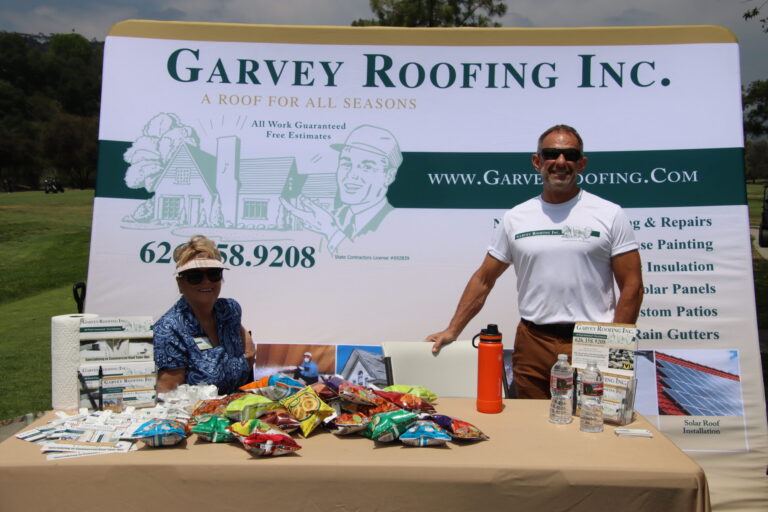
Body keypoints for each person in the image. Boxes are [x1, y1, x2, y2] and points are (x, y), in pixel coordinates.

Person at [425, 124, 643, 399]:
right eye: (551, 154)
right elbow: (484, 279)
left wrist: (615, 349)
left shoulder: (610, 214)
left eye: (570, 156)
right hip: (533, 341)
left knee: (594, 425)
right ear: (537, 161)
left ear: (582, 164)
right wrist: (453, 329)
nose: (560, 162)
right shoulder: (516, 217)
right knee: (531, 427)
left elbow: (633, 287)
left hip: (594, 340)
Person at [153, 235, 256, 394]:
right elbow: (168, 394)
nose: (206, 281)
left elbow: (248, 354)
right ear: (180, 283)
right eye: (195, 276)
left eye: (213, 274)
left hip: (238, 410)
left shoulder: (230, 310)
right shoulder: (169, 329)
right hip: (197, 416)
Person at [280, 124, 402, 252]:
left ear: (389, 176)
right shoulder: (334, 217)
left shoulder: (397, 224)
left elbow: (368, 263)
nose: (350, 175)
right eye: (346, 163)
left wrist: (331, 231)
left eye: (367, 167)